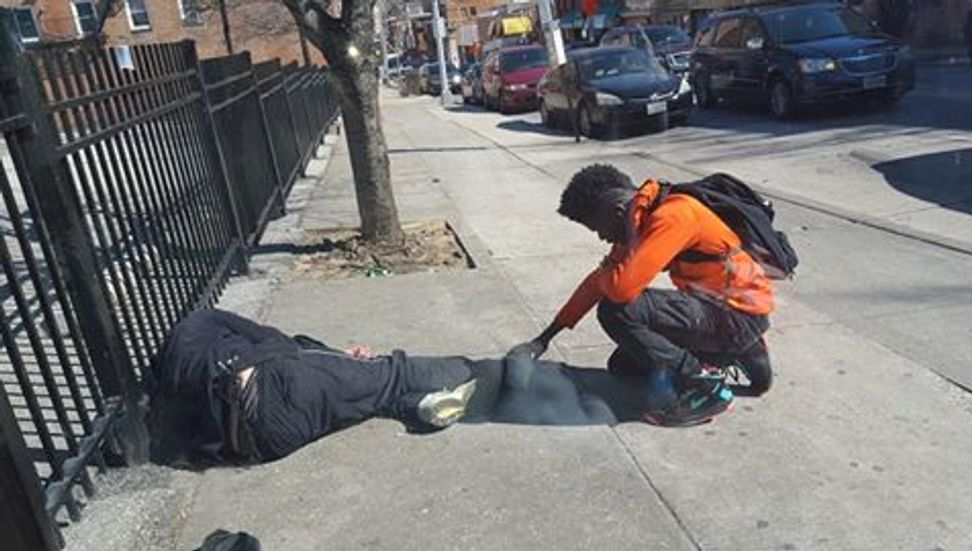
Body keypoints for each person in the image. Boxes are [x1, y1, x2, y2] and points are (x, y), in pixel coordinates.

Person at [520, 165, 775, 427]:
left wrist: (613, 265)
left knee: (617, 310)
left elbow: (620, 290)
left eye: (597, 228)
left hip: (736, 315)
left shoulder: (673, 216)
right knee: (625, 366)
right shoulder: (641, 217)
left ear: (617, 211)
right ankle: (739, 350)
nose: (601, 238)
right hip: (728, 310)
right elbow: (597, 283)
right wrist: (544, 339)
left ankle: (705, 385)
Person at [149, 309, 479, 465]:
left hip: (260, 446)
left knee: (359, 400)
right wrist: (335, 358)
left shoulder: (168, 396)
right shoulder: (201, 320)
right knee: (392, 372)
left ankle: (418, 406)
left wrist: (334, 363)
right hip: (271, 390)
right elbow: (277, 342)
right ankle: (487, 371)